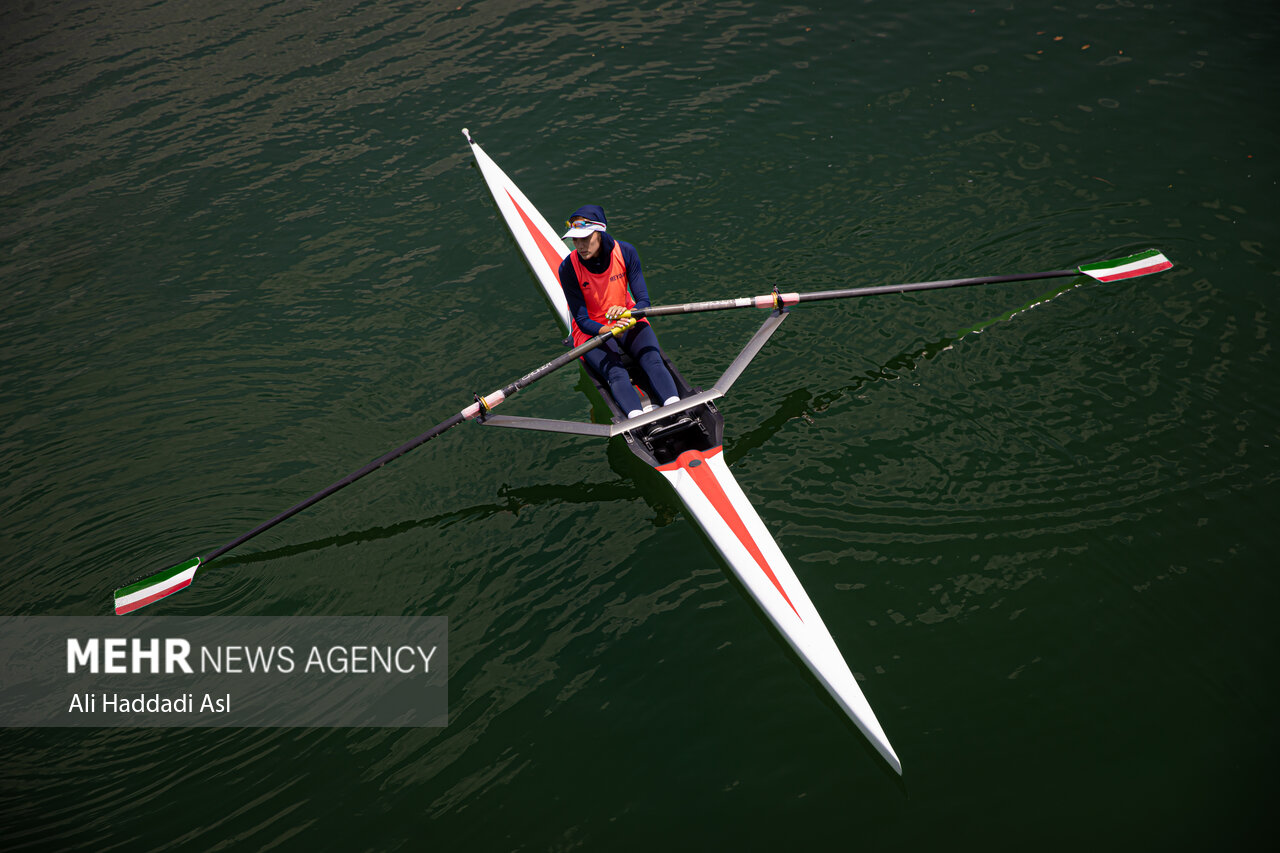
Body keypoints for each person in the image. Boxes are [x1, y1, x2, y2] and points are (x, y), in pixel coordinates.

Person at [559, 205, 681, 419]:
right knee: (615, 373)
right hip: (591, 329)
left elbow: (643, 302)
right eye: (575, 239)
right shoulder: (568, 269)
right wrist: (609, 329)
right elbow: (581, 319)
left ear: (600, 232)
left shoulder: (625, 251)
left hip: (628, 317)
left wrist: (629, 316)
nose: (579, 245)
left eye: (585, 238)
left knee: (652, 359)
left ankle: (679, 409)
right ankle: (638, 421)